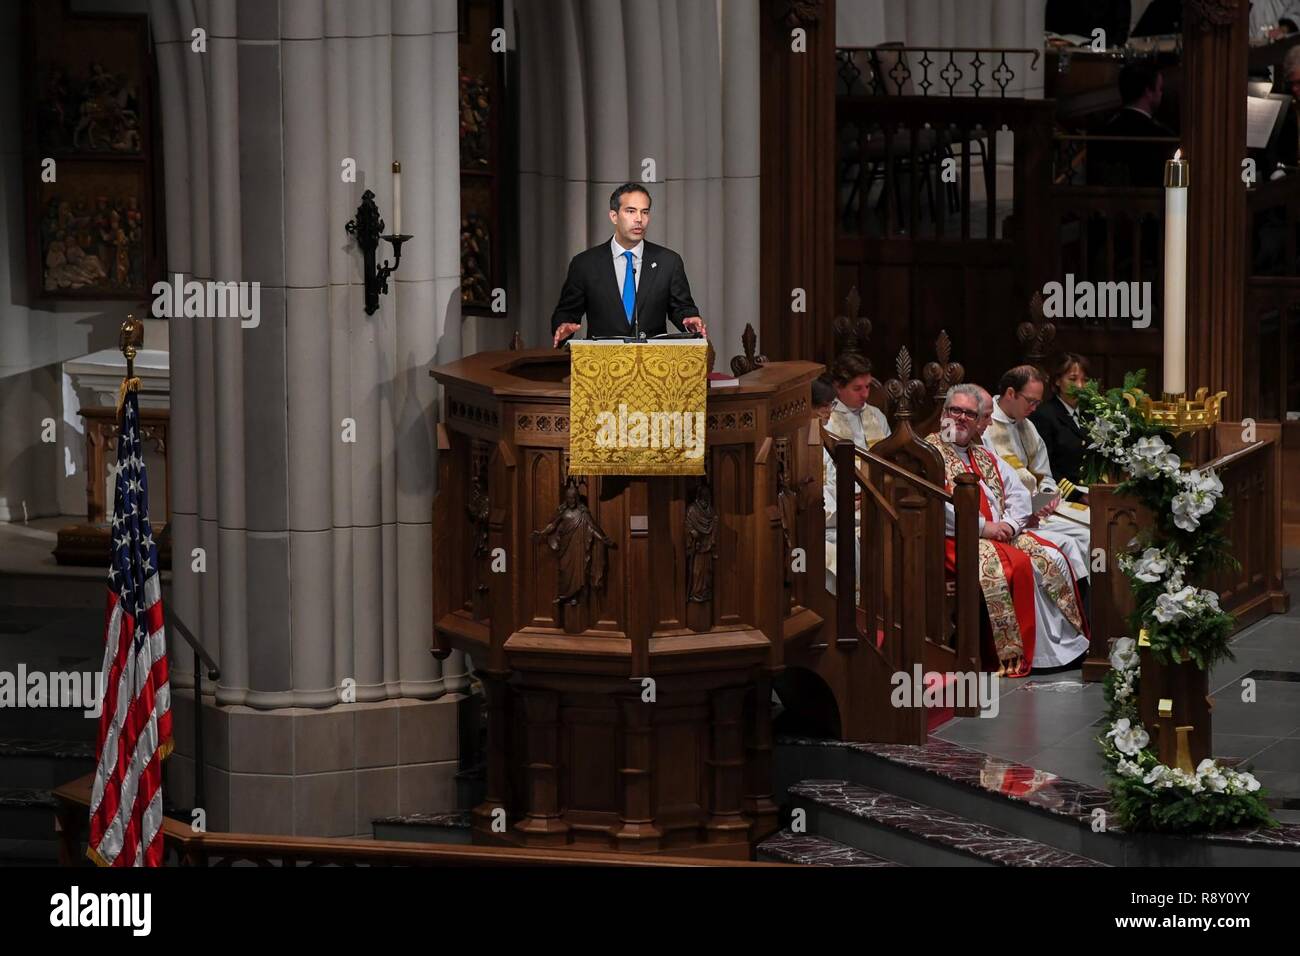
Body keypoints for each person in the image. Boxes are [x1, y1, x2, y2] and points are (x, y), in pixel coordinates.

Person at [927, 385, 1089, 676]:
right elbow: (935, 506)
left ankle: (1058, 648)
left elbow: (1016, 491)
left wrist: (1013, 523)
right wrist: (984, 527)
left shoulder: (983, 454)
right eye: (956, 411)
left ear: (979, 421)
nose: (962, 418)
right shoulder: (929, 453)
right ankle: (1011, 655)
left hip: (998, 533)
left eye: (970, 414)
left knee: (1051, 557)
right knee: (1017, 566)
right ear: (943, 414)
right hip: (953, 539)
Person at [551, 183, 706, 345]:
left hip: (653, 363)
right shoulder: (585, 263)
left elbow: (682, 308)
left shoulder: (668, 261)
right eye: (631, 211)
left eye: (644, 212)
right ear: (614, 216)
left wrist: (690, 320)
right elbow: (567, 312)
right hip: (603, 362)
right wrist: (563, 327)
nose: (639, 219)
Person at [986, 366, 1091, 585]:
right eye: (1030, 401)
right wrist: (1029, 504)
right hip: (1012, 516)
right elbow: (990, 484)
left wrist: (1047, 497)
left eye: (1037, 402)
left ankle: (1090, 602)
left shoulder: (1028, 427)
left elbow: (1046, 476)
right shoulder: (987, 428)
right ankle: (1080, 599)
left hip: (1039, 510)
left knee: (1094, 527)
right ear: (1011, 393)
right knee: (1083, 537)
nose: (1034, 408)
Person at [1089, 62, 1176, 187]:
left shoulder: (1102, 133)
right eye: (1160, 89)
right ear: (1148, 92)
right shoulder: (1162, 137)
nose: (1161, 94)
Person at [1029, 353, 1091, 503]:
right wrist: (1077, 495)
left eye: (1085, 380)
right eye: (1072, 379)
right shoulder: (1044, 415)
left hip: (1092, 492)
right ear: (1057, 381)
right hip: (1062, 495)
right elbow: (1045, 467)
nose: (1080, 386)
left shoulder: (1091, 414)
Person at [824, 352, 891, 452]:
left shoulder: (876, 415)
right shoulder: (827, 420)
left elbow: (889, 456)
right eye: (857, 388)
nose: (865, 394)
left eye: (867, 386)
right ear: (838, 387)